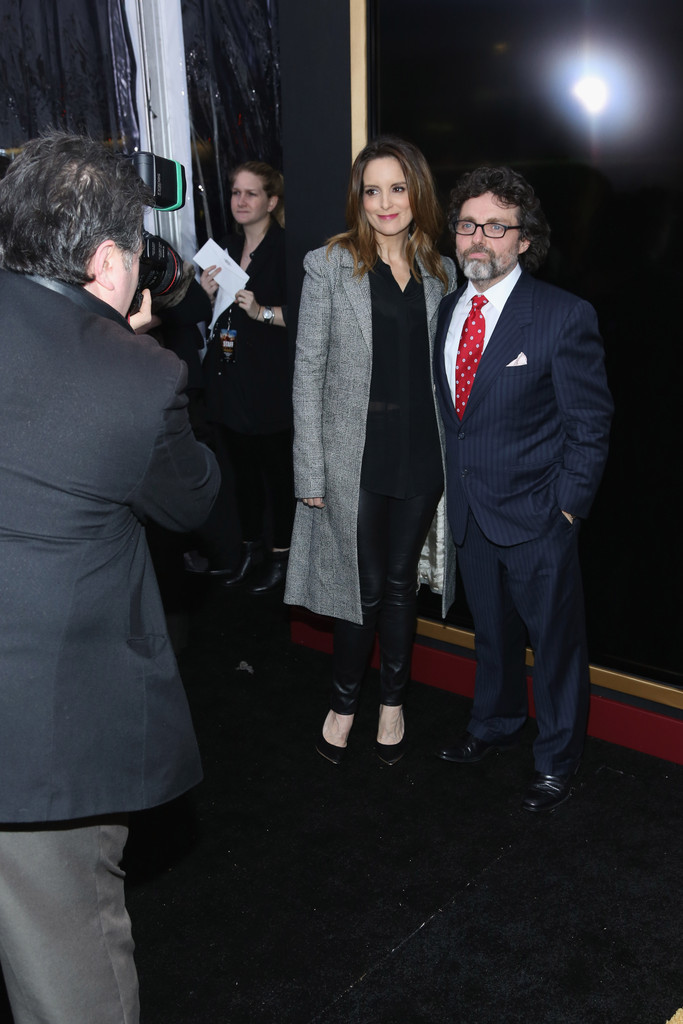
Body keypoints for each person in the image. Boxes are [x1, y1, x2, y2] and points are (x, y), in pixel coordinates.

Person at [0, 132, 220, 1023]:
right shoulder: (140, 375)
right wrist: (134, 356)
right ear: (104, 261)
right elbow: (192, 501)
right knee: (72, 981)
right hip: (37, 739)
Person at [433, 166, 613, 811]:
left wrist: (567, 508)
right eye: (468, 225)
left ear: (523, 240)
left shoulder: (563, 317)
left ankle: (558, 758)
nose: (478, 239)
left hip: (539, 516)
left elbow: (589, 426)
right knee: (492, 634)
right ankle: (495, 724)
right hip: (471, 516)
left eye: (496, 227)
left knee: (557, 646)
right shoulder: (450, 310)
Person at [284, 136, 456, 765]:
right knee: (361, 588)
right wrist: (309, 466)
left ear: (418, 192)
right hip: (353, 454)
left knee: (400, 584)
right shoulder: (330, 264)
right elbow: (307, 372)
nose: (385, 201)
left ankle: (393, 701)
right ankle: (343, 701)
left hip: (421, 454)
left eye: (398, 187)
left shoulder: (442, 270)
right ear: (359, 197)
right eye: (372, 189)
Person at [198, 161, 293, 593]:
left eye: (250, 193)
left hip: (269, 385)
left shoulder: (288, 249)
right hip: (228, 380)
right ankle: (250, 552)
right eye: (236, 192)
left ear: (271, 201)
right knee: (242, 477)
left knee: (277, 477)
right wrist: (204, 295)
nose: (240, 200)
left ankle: (282, 559)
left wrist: (261, 312)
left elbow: (309, 316)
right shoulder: (223, 250)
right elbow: (211, 319)